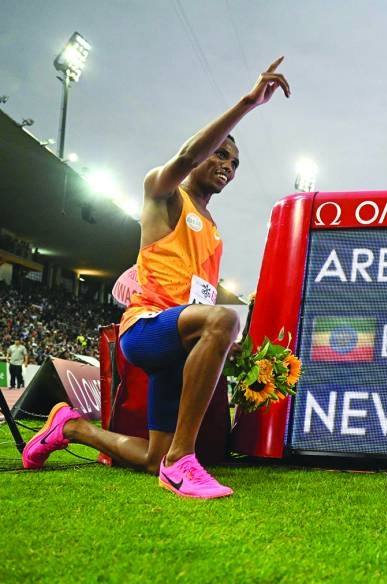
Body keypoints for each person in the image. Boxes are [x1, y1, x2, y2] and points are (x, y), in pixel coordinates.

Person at [22, 57, 291, 499]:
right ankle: (182, 462)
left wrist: (230, 339)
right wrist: (248, 102)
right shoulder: (163, 193)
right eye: (221, 153)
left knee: (152, 457)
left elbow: (202, 298)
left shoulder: (214, 230)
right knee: (224, 319)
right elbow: (186, 156)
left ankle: (70, 427)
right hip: (146, 329)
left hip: (178, 345)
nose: (227, 165)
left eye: (235, 162)